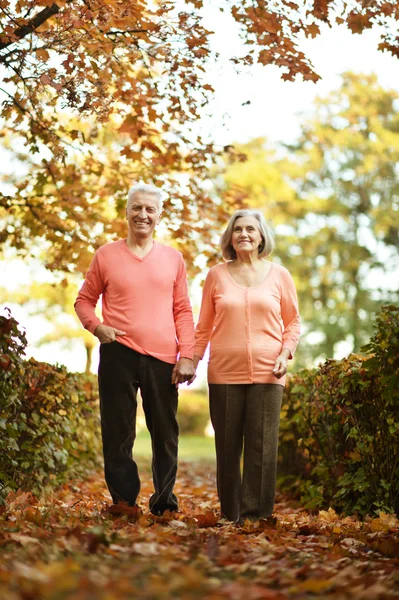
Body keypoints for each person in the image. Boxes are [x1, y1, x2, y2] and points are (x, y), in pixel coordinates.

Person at [74, 183, 195, 515]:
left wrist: (187, 354)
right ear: (126, 212)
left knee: (166, 434)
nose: (143, 215)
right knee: (117, 431)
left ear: (159, 215)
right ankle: (124, 503)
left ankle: (164, 503)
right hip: (118, 353)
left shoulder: (173, 258)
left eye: (150, 209)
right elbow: (84, 301)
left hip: (162, 358)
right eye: (137, 208)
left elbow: (183, 310)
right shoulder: (106, 255)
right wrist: (97, 327)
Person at [190, 209, 300, 524]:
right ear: (230, 237)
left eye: (251, 229)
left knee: (262, 448)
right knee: (227, 449)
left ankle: (255, 518)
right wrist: (192, 361)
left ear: (262, 235)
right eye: (237, 229)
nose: (244, 234)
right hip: (224, 372)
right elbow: (203, 326)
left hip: (269, 371)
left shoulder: (280, 275)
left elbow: (293, 323)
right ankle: (230, 514)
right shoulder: (216, 275)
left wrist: (285, 353)